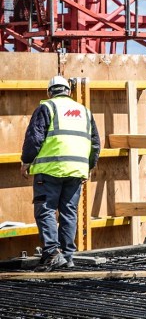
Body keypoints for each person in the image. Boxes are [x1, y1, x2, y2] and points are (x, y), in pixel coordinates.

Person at [21, 75, 101, 271]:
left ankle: (52, 253)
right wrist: (89, 167)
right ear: (68, 91)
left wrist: (26, 161)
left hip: (50, 169)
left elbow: (35, 138)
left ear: (49, 92)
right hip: (76, 170)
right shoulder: (85, 112)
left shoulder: (47, 108)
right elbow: (95, 143)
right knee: (68, 212)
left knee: (46, 209)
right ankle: (67, 256)